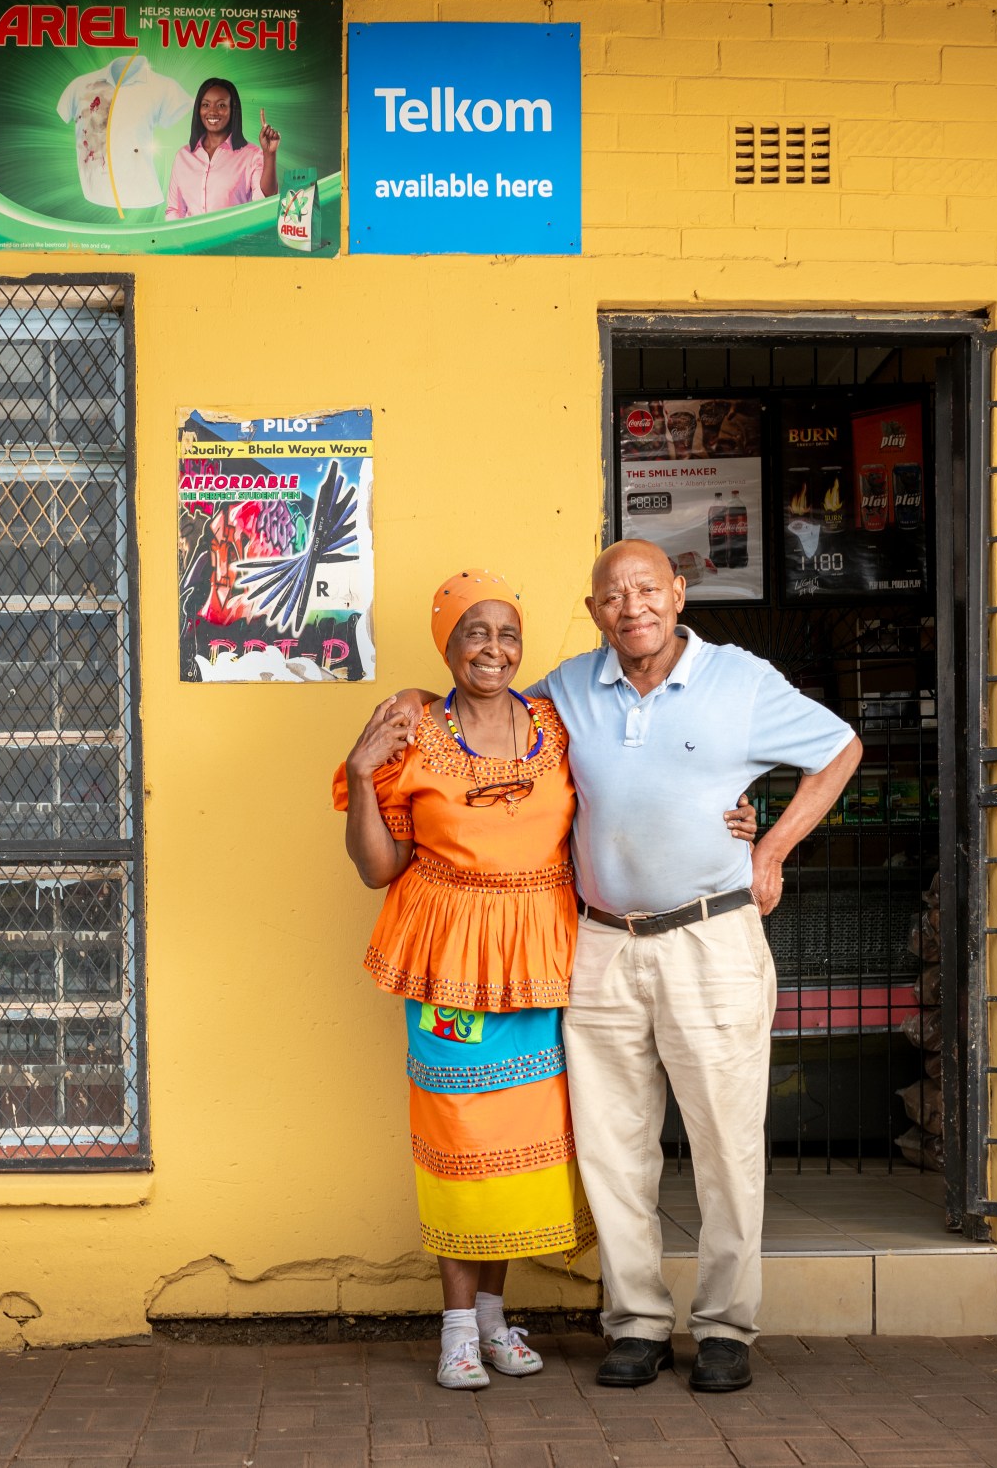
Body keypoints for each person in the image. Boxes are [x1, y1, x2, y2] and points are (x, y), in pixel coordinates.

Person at [335, 570, 755, 1392]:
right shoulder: (412, 728)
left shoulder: (556, 725)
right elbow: (378, 867)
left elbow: (639, 783)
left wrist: (734, 815)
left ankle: (492, 1319)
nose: (492, 648)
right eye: (472, 633)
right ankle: (456, 1326)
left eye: (506, 632)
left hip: (542, 963)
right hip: (451, 963)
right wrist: (358, 776)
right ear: (446, 644)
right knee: (461, 1141)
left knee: (522, 1152)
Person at [541, 539, 861, 1396]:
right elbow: (497, 729)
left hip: (710, 937)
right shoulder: (570, 686)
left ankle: (724, 1326)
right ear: (595, 608)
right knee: (611, 1147)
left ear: (680, 593)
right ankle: (636, 1322)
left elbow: (839, 748)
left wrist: (776, 848)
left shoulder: (741, 680)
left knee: (724, 1142)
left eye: (648, 587)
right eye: (613, 593)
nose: (632, 604)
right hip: (601, 940)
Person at [163, 76, 279, 218]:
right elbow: (175, 210)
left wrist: (270, 154)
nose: (212, 112)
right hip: (191, 240)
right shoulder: (183, 156)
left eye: (221, 105)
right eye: (206, 105)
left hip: (234, 239)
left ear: (233, 110)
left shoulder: (251, 155)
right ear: (198, 110)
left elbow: (265, 200)